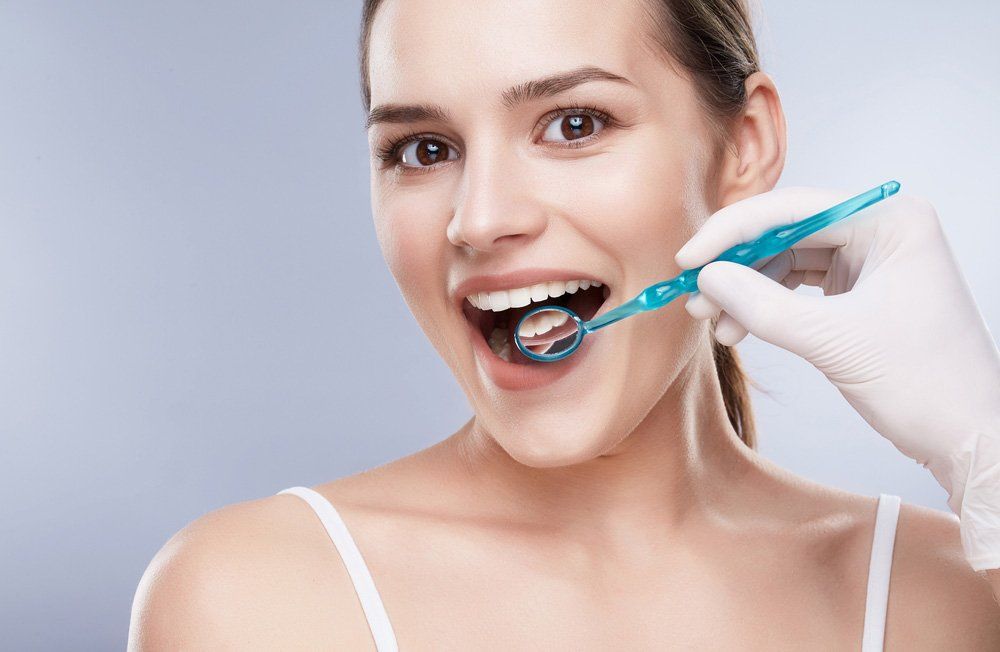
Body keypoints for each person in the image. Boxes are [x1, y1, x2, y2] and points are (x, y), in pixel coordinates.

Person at [128, 0, 1000, 649]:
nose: (478, 219)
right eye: (424, 149)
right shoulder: (255, 600)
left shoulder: (944, 595)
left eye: (574, 124)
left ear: (744, 147)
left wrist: (989, 447)